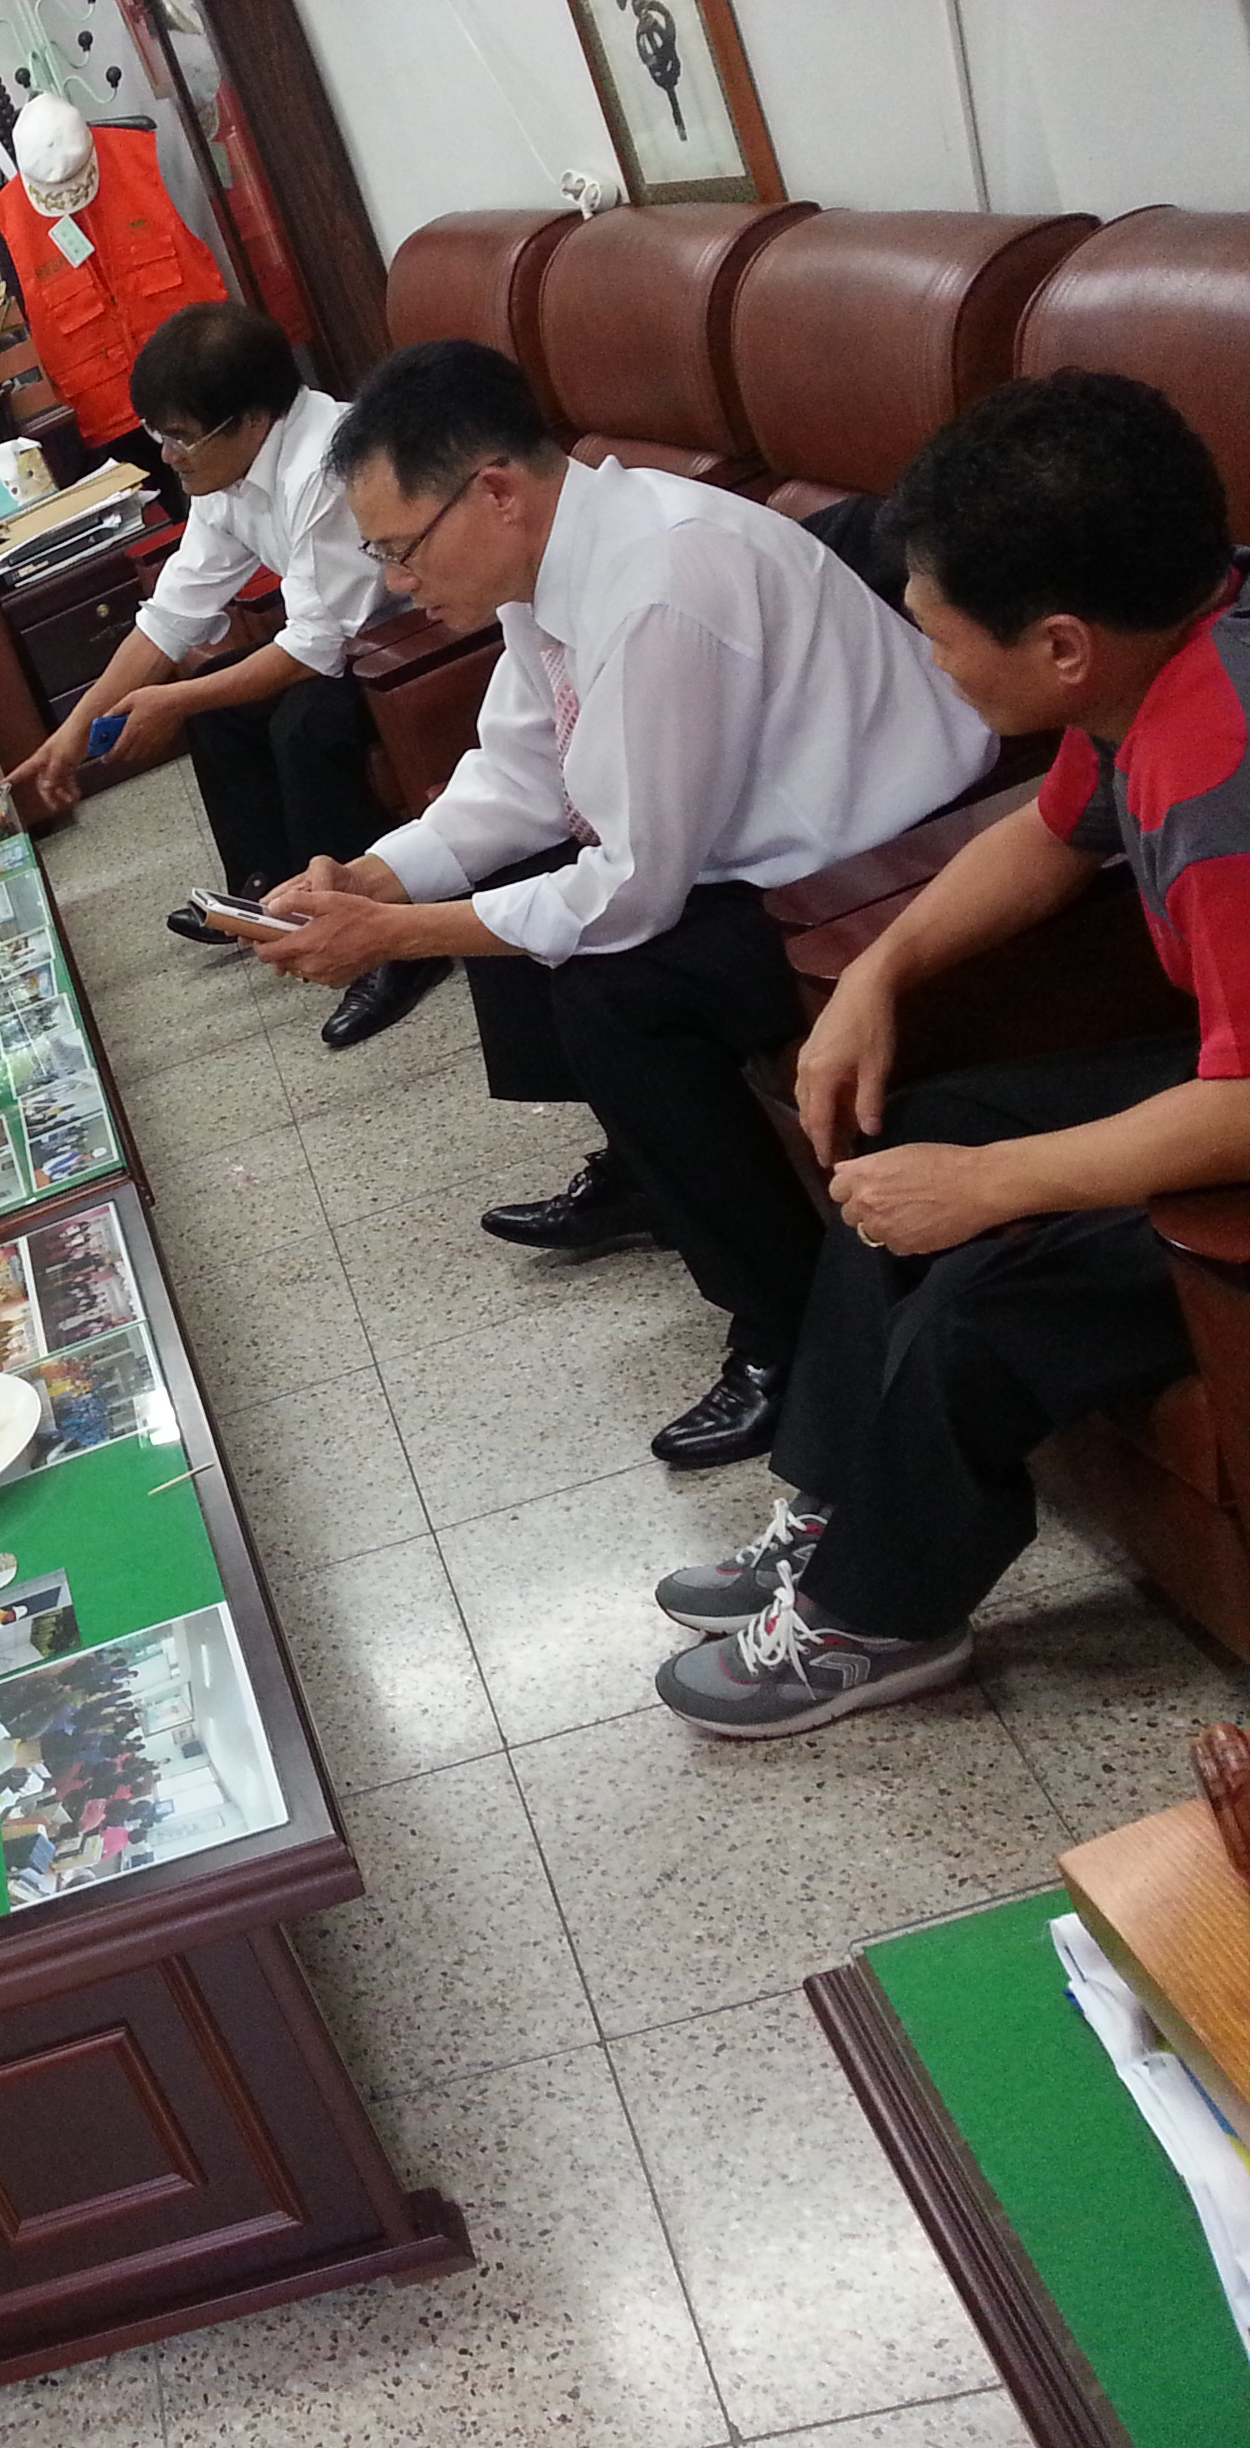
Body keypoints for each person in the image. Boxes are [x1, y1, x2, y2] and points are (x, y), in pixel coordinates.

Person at [256, 339, 994, 1466]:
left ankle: (794, 1338)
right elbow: (518, 777)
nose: (397, 583)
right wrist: (372, 879)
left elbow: (632, 892)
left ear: (495, 492)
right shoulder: (556, 560)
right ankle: (652, 1171)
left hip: (883, 867)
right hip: (762, 843)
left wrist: (397, 935)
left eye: (402, 550)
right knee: (510, 895)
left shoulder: (659, 582)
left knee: (616, 993)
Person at [654, 371, 1250, 1736]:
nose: (932, 662)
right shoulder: (1171, 647)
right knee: (916, 1128)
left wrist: (994, 1188)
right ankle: (837, 1505)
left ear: (1060, 647)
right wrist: (882, 970)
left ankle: (876, 1616)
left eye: (938, 637)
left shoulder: (1222, 771)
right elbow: (1050, 836)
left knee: (987, 1299)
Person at [10, 302, 445, 1049]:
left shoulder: (325, 465)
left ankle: (386, 946)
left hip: (416, 635)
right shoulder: (225, 474)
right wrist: (72, 732)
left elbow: (314, 649)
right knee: (219, 707)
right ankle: (262, 893)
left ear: (251, 421)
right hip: (342, 638)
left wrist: (172, 699)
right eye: (159, 432)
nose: (167, 455)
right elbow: (171, 618)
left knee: (304, 723)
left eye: (181, 435)